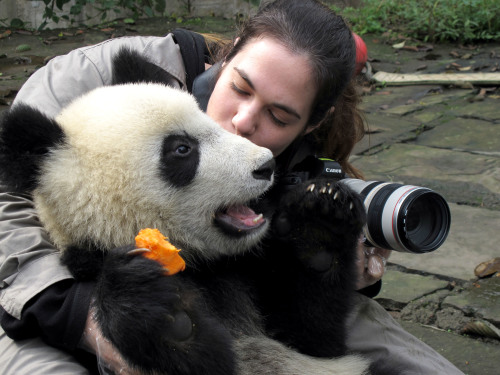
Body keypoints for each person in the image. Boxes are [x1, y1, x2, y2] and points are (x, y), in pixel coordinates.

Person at [0, 0, 463, 374]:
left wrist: (335, 255)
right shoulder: (93, 80)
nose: (244, 125)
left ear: (312, 122)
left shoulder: (303, 140)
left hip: (238, 299)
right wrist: (84, 312)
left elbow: (298, 322)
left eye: (280, 117)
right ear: (230, 51)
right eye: (240, 87)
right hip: (36, 286)